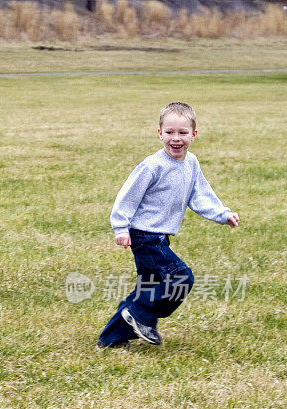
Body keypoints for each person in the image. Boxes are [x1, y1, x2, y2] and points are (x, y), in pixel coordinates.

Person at [97, 102, 239, 348]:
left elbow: (199, 194)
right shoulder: (152, 166)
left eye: (183, 133)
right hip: (144, 236)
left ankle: (111, 340)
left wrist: (222, 214)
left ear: (194, 134)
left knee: (147, 288)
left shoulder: (191, 163)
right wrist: (120, 227)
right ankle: (140, 316)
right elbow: (127, 196)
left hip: (161, 237)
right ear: (159, 133)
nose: (176, 138)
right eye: (170, 132)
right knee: (181, 278)